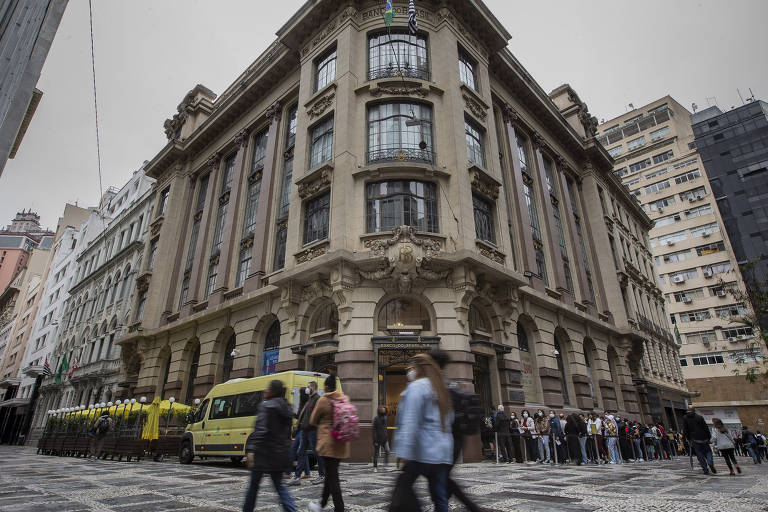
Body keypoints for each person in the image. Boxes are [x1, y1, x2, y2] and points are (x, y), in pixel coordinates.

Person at [393, 354, 454, 512]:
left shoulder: (417, 386)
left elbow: (410, 420)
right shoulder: (440, 387)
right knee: (440, 497)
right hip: (442, 453)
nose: (409, 371)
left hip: (421, 452)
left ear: (418, 369)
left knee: (402, 491)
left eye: (411, 368)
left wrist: (404, 451)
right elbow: (450, 419)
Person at [430, 349, 482, 512]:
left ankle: (470, 507)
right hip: (454, 439)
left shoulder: (439, 384)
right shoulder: (446, 381)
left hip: (447, 439)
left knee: (441, 477)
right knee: (441, 477)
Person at [243, 379, 296, 512]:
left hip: (263, 454)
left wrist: (251, 450)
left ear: (272, 391)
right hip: (280, 454)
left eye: (268, 388)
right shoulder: (287, 407)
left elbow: (261, 430)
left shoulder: (266, 406)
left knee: (253, 488)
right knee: (280, 487)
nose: (265, 390)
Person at [308, 375, 350, 512]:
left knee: (333, 478)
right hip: (341, 443)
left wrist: (323, 423)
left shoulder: (324, 400)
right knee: (330, 474)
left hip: (328, 443)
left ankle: (339, 508)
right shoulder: (344, 398)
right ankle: (321, 504)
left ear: (326, 386)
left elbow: (313, 420)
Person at [289, 381, 324, 485]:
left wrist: (313, 425)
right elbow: (305, 414)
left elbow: (318, 415)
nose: (306, 389)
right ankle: (297, 477)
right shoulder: (309, 399)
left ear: (313, 387)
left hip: (312, 430)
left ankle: (322, 475)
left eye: (308, 387)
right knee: (300, 452)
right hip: (304, 430)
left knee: (317, 453)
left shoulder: (317, 399)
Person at [683, 405, 716, 475]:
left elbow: (685, 430)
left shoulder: (685, 418)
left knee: (699, 454)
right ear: (694, 410)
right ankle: (710, 462)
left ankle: (705, 469)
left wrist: (688, 439)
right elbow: (706, 427)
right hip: (704, 437)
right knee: (708, 451)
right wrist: (709, 436)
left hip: (694, 439)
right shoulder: (699, 417)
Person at [372, 406, 389, 472]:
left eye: (384, 410)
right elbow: (374, 430)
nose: (383, 411)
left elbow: (385, 428)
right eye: (382, 410)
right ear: (379, 411)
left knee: (387, 451)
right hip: (377, 439)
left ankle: (386, 465)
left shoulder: (385, 418)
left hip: (385, 439)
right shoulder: (376, 419)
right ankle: (375, 467)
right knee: (376, 454)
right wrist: (375, 440)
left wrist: (386, 436)